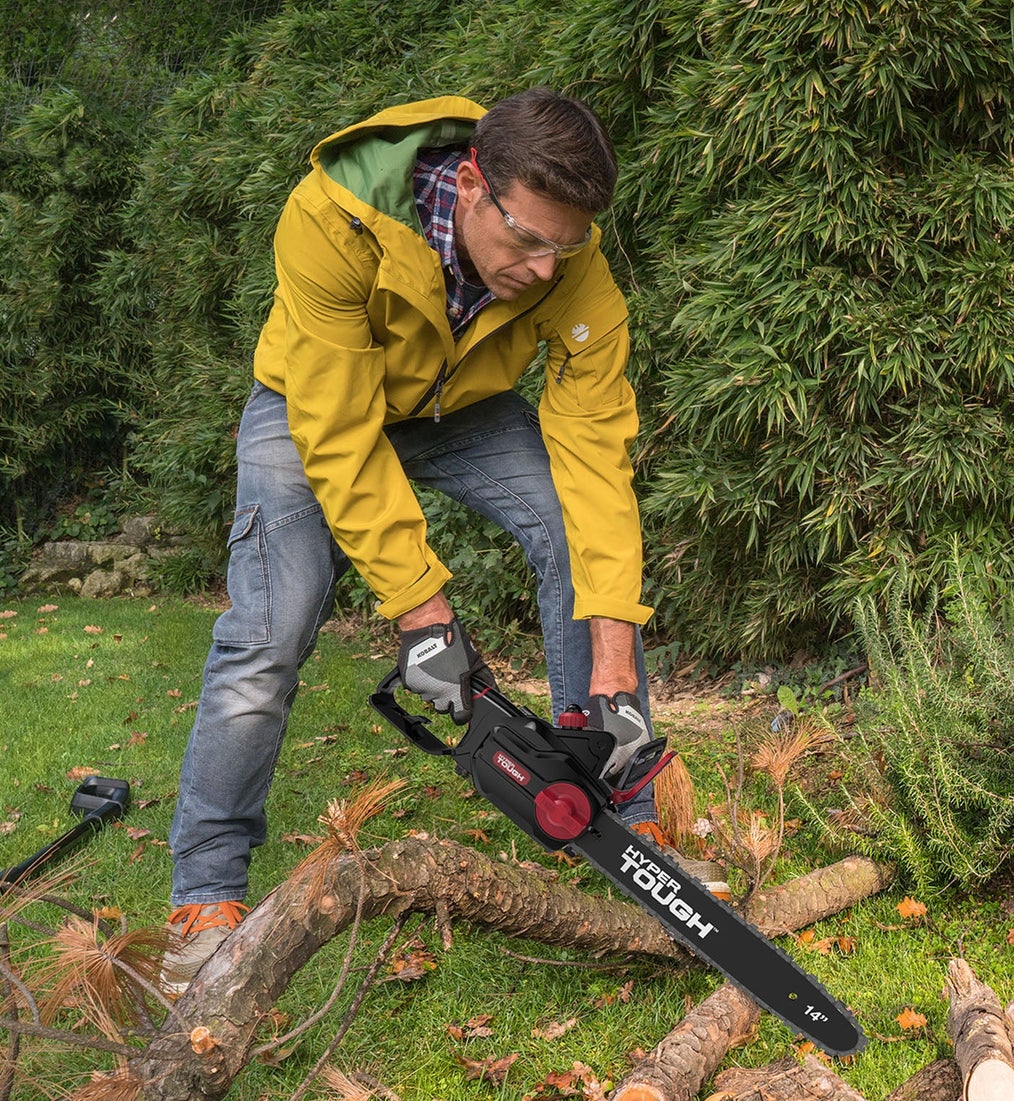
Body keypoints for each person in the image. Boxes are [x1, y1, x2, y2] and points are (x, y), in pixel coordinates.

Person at [161, 87, 676, 993]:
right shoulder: (331, 220)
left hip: (460, 411)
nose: (547, 270)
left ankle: (619, 803)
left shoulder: (570, 258)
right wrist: (422, 614)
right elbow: (341, 433)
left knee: (570, 524)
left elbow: (595, 452)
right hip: (309, 411)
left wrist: (611, 665)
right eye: (527, 242)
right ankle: (205, 894)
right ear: (472, 186)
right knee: (267, 637)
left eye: (565, 247)